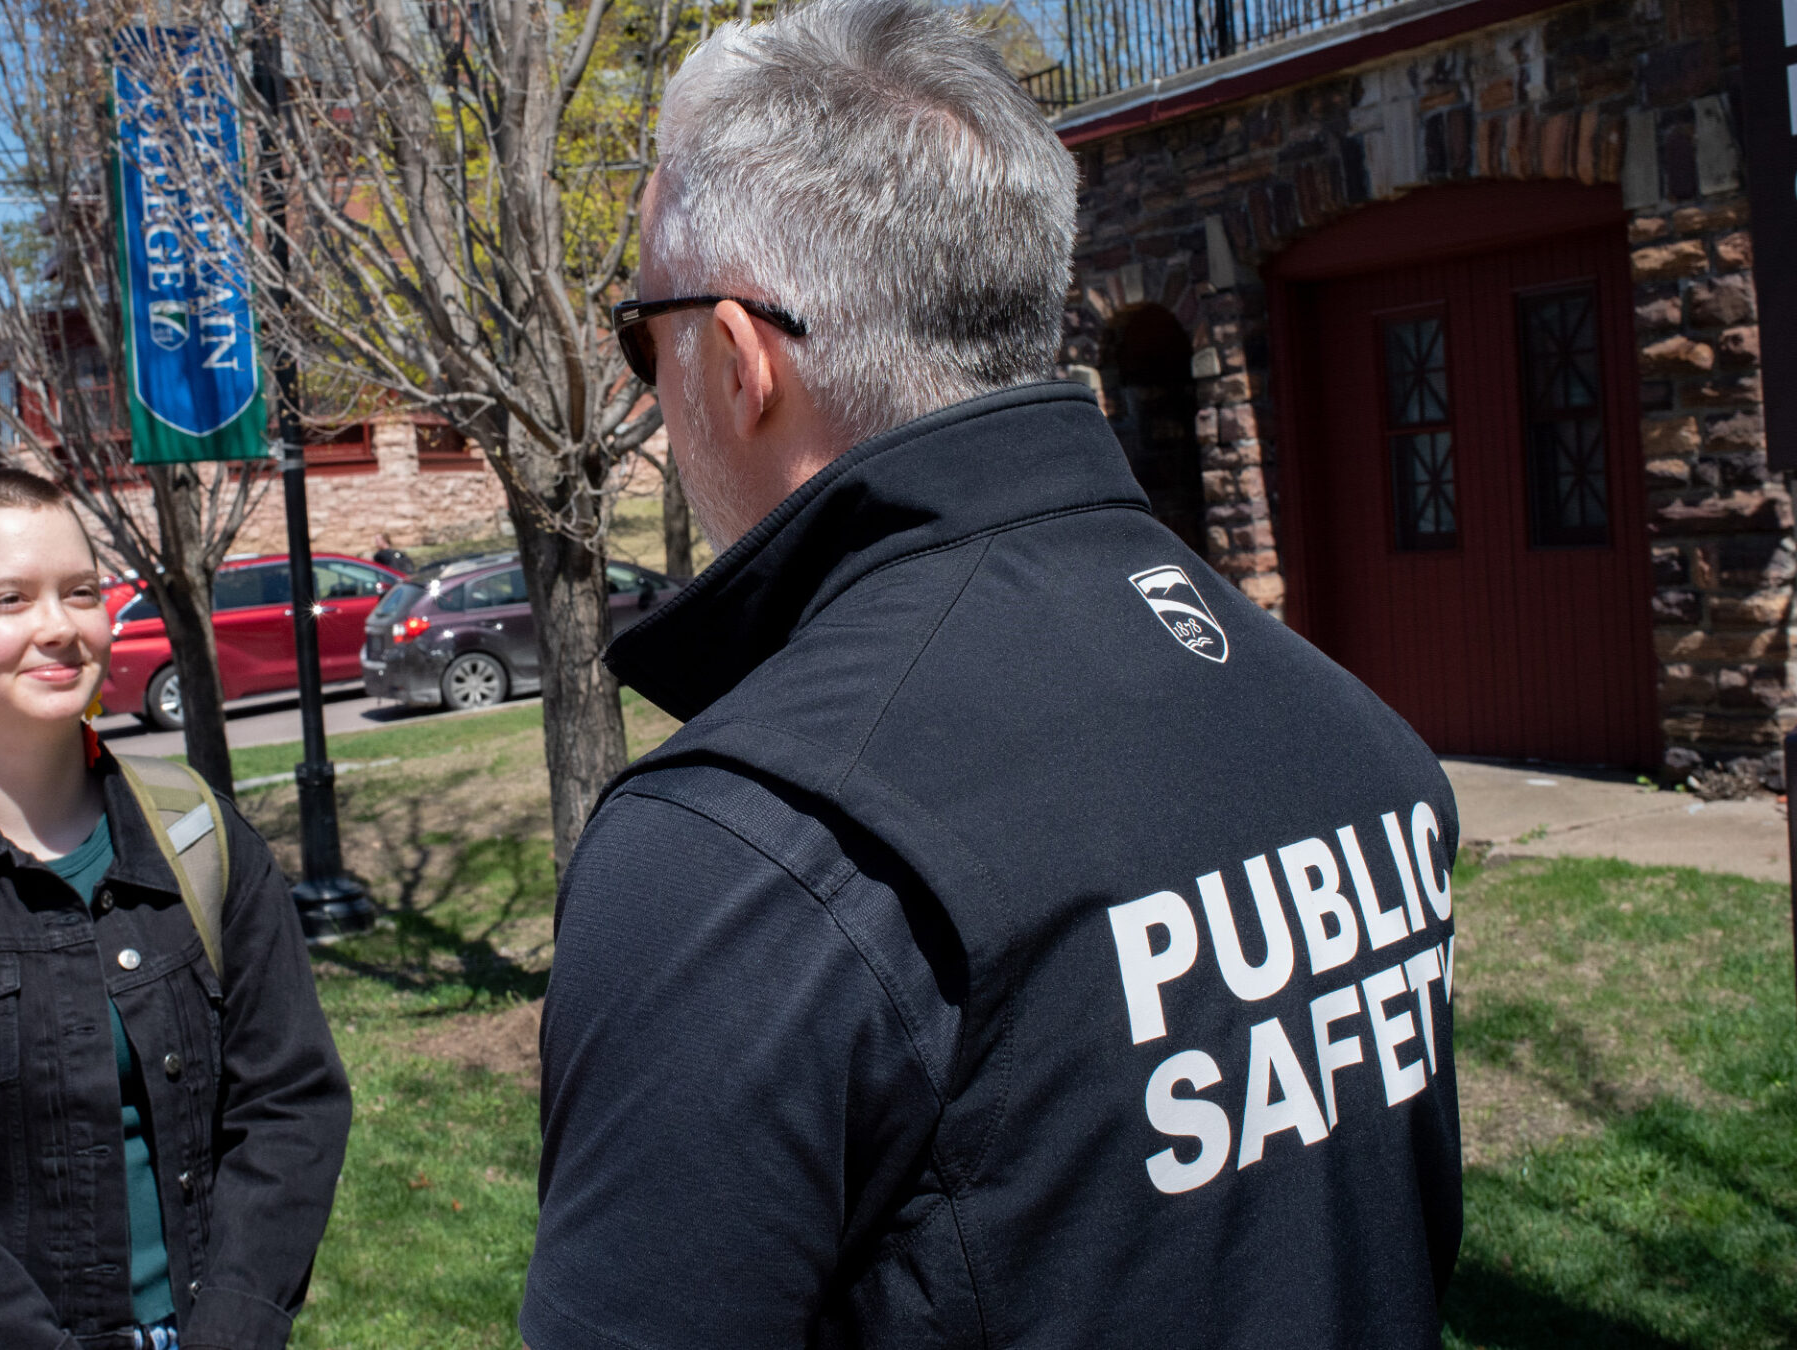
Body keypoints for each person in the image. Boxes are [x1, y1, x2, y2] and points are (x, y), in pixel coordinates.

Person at [523, 1, 1462, 1346]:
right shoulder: (1357, 741)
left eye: (641, 340)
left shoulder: (737, 859)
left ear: (739, 359)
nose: (647, 397)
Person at [0, 468, 350, 1349]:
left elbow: (292, 1102)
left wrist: (235, 1326)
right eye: (9, 599)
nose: (59, 627)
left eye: (80, 592)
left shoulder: (196, 834)